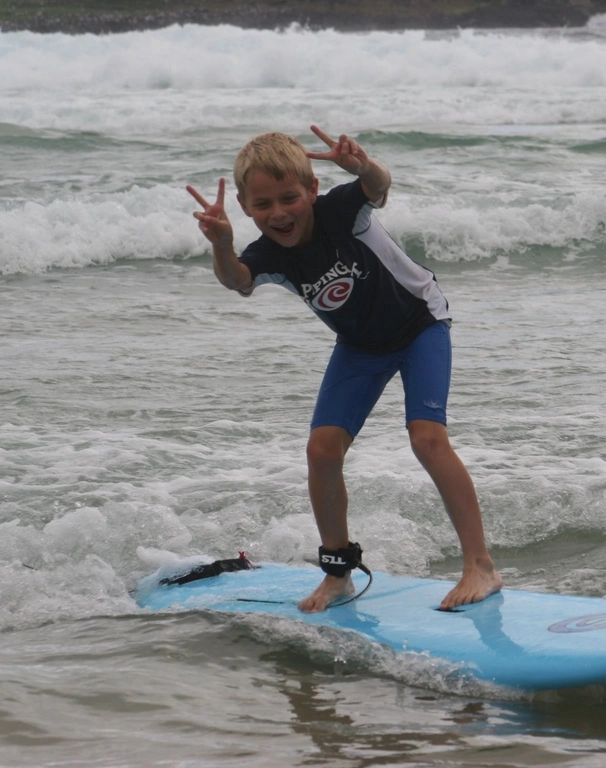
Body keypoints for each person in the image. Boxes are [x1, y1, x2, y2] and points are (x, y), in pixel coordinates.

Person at [187, 125, 502, 612]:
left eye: (289, 197)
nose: (279, 213)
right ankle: (338, 575)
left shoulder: (340, 210)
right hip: (359, 346)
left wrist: (362, 167)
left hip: (421, 324)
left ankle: (480, 566)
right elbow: (237, 281)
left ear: (311, 190)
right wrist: (222, 244)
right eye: (264, 205)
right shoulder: (267, 253)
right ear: (248, 209)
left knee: (426, 437)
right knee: (322, 450)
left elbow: (378, 186)